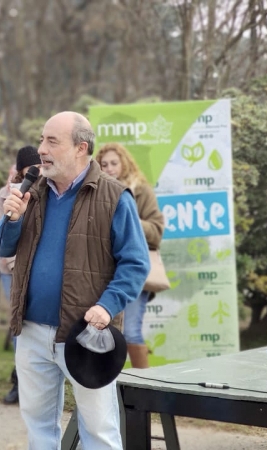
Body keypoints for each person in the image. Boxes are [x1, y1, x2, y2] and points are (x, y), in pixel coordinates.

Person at [0, 112, 149, 449]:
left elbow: (135, 264)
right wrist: (13, 218)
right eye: (41, 139)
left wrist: (108, 306)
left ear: (81, 147)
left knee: (99, 431)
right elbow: (2, 246)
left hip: (86, 335)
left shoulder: (114, 197)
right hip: (32, 332)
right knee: (38, 428)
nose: (41, 150)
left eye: (52, 141)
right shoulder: (30, 190)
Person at [96, 143, 164, 369]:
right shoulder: (96, 192)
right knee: (105, 333)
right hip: (103, 273)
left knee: (131, 331)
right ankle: (106, 395)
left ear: (125, 163)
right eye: (103, 164)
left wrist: (128, 220)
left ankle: (145, 396)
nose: (109, 168)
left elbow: (156, 231)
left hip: (132, 271)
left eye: (114, 163)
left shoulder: (141, 190)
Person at [0, 146, 42, 403]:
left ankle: (38, 384)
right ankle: (19, 384)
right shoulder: (6, 195)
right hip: (12, 271)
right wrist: (16, 266)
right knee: (18, 328)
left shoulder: (48, 192)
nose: (37, 172)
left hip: (38, 270)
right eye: (31, 168)